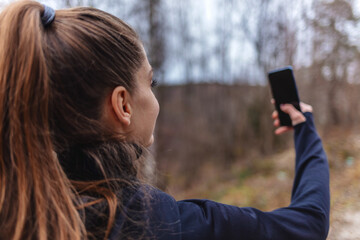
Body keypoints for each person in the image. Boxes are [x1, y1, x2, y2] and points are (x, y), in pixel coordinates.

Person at [0, 1, 329, 240]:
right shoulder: (156, 223)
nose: (154, 98)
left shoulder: (14, 213)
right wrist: (306, 132)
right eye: (150, 82)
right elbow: (308, 223)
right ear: (123, 105)